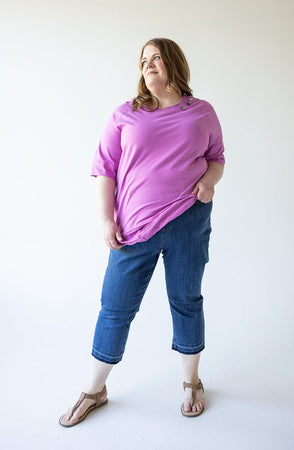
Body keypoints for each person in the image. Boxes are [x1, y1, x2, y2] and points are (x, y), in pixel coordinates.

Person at [59, 37, 225, 427]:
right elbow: (105, 168)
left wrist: (210, 181)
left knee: (186, 300)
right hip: (134, 226)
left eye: (156, 58)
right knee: (115, 307)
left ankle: (191, 381)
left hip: (189, 219)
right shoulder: (126, 114)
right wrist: (106, 220)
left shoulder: (202, 112)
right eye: (144, 60)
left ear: (174, 64)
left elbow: (217, 158)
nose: (148, 65)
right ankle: (95, 389)